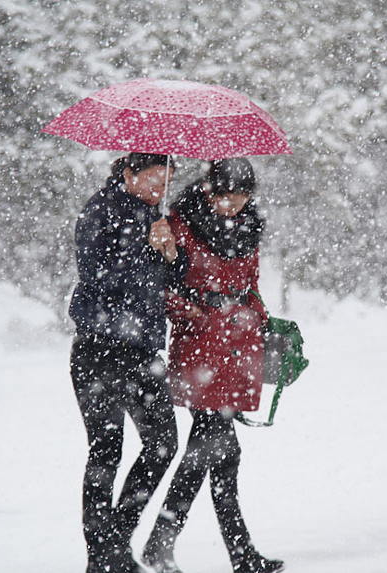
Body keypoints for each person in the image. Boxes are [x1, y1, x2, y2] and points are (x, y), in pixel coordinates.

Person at [142, 158, 285, 573]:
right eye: (223, 195)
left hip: (239, 344)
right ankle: (167, 545)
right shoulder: (179, 223)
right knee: (212, 448)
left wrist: (263, 319)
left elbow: (250, 284)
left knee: (222, 453)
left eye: (240, 196)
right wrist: (200, 312)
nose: (231, 204)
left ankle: (236, 553)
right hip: (201, 346)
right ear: (209, 190)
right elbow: (165, 290)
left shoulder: (249, 228)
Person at [69, 152, 189, 573]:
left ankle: (114, 544)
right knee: (106, 450)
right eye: (154, 178)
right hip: (98, 351)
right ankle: (102, 558)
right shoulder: (100, 210)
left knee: (163, 445)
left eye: (166, 179)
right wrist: (146, 246)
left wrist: (172, 253)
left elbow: (171, 281)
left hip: (141, 354)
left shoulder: (153, 216)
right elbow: (99, 277)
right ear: (127, 173)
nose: (160, 187)